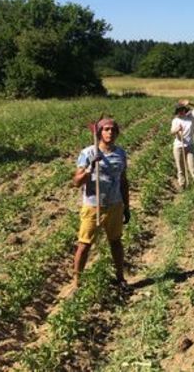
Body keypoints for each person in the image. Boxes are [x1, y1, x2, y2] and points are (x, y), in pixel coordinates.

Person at [72, 118, 130, 289]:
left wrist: (126, 206)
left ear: (117, 133)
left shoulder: (121, 154)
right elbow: (76, 182)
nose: (110, 132)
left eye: (113, 129)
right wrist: (90, 168)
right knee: (84, 245)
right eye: (106, 129)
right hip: (92, 205)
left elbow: (124, 181)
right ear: (99, 133)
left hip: (115, 205)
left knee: (116, 242)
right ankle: (77, 282)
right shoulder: (88, 153)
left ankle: (120, 278)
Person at [170, 99, 194, 190]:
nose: (181, 112)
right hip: (178, 146)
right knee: (180, 168)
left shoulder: (191, 116)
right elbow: (171, 132)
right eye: (179, 111)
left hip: (189, 146)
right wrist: (177, 130)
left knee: (193, 166)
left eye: (182, 110)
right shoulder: (175, 120)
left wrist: (190, 103)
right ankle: (182, 185)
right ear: (177, 112)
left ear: (185, 110)